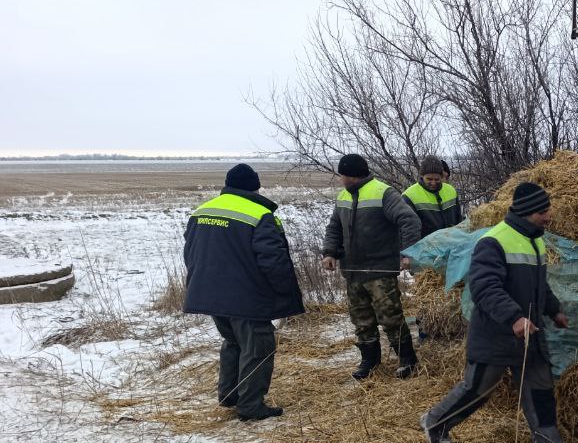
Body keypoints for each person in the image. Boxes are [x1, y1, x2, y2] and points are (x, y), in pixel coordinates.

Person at [419, 182, 578, 443]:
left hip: (530, 335)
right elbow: (484, 288)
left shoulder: (536, 241)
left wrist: (554, 309)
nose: (549, 216)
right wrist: (513, 318)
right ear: (527, 211)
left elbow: (538, 285)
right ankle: (435, 423)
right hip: (496, 335)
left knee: (541, 390)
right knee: (478, 389)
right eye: (544, 211)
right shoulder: (494, 241)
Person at [183, 162, 304, 421]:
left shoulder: (201, 211)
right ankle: (250, 406)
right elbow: (273, 260)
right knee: (258, 346)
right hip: (247, 296)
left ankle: (231, 394)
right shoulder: (260, 214)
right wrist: (286, 293)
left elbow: (190, 254)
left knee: (233, 342)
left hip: (209, 294)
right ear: (255, 187)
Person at [321, 153, 422, 379]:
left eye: (342, 175)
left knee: (390, 317)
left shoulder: (383, 192)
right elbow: (334, 227)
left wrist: (408, 253)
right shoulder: (343, 196)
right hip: (353, 271)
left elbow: (410, 220)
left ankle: (407, 360)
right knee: (361, 320)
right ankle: (370, 361)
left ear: (351, 176)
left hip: (380, 270)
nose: (340, 179)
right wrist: (329, 252)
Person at [402, 155, 464, 343]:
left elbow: (459, 221)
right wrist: (407, 254)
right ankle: (425, 335)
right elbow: (405, 227)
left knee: (452, 293)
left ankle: (451, 333)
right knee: (427, 296)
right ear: (421, 176)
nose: (434, 183)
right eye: (429, 179)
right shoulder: (409, 196)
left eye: (437, 179)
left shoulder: (451, 191)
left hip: (451, 252)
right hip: (424, 254)